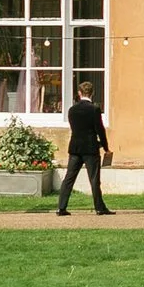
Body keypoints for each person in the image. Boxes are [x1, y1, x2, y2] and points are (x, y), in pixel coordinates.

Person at [55, 80, 113, 216]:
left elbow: (74, 128)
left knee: (69, 178)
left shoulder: (72, 110)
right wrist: (105, 147)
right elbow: (100, 130)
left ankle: (61, 207)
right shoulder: (94, 109)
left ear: (79, 93)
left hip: (75, 147)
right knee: (94, 179)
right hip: (90, 148)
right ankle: (99, 207)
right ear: (92, 93)